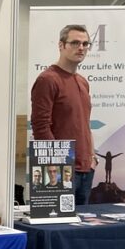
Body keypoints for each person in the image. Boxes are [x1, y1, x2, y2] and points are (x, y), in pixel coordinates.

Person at [30, 25, 97, 204]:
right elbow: (40, 126)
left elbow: (85, 124)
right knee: (56, 220)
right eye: (75, 43)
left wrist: (92, 158)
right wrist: (55, 165)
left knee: (82, 222)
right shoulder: (48, 79)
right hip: (59, 170)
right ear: (61, 45)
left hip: (85, 169)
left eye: (85, 44)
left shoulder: (82, 82)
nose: (81, 48)